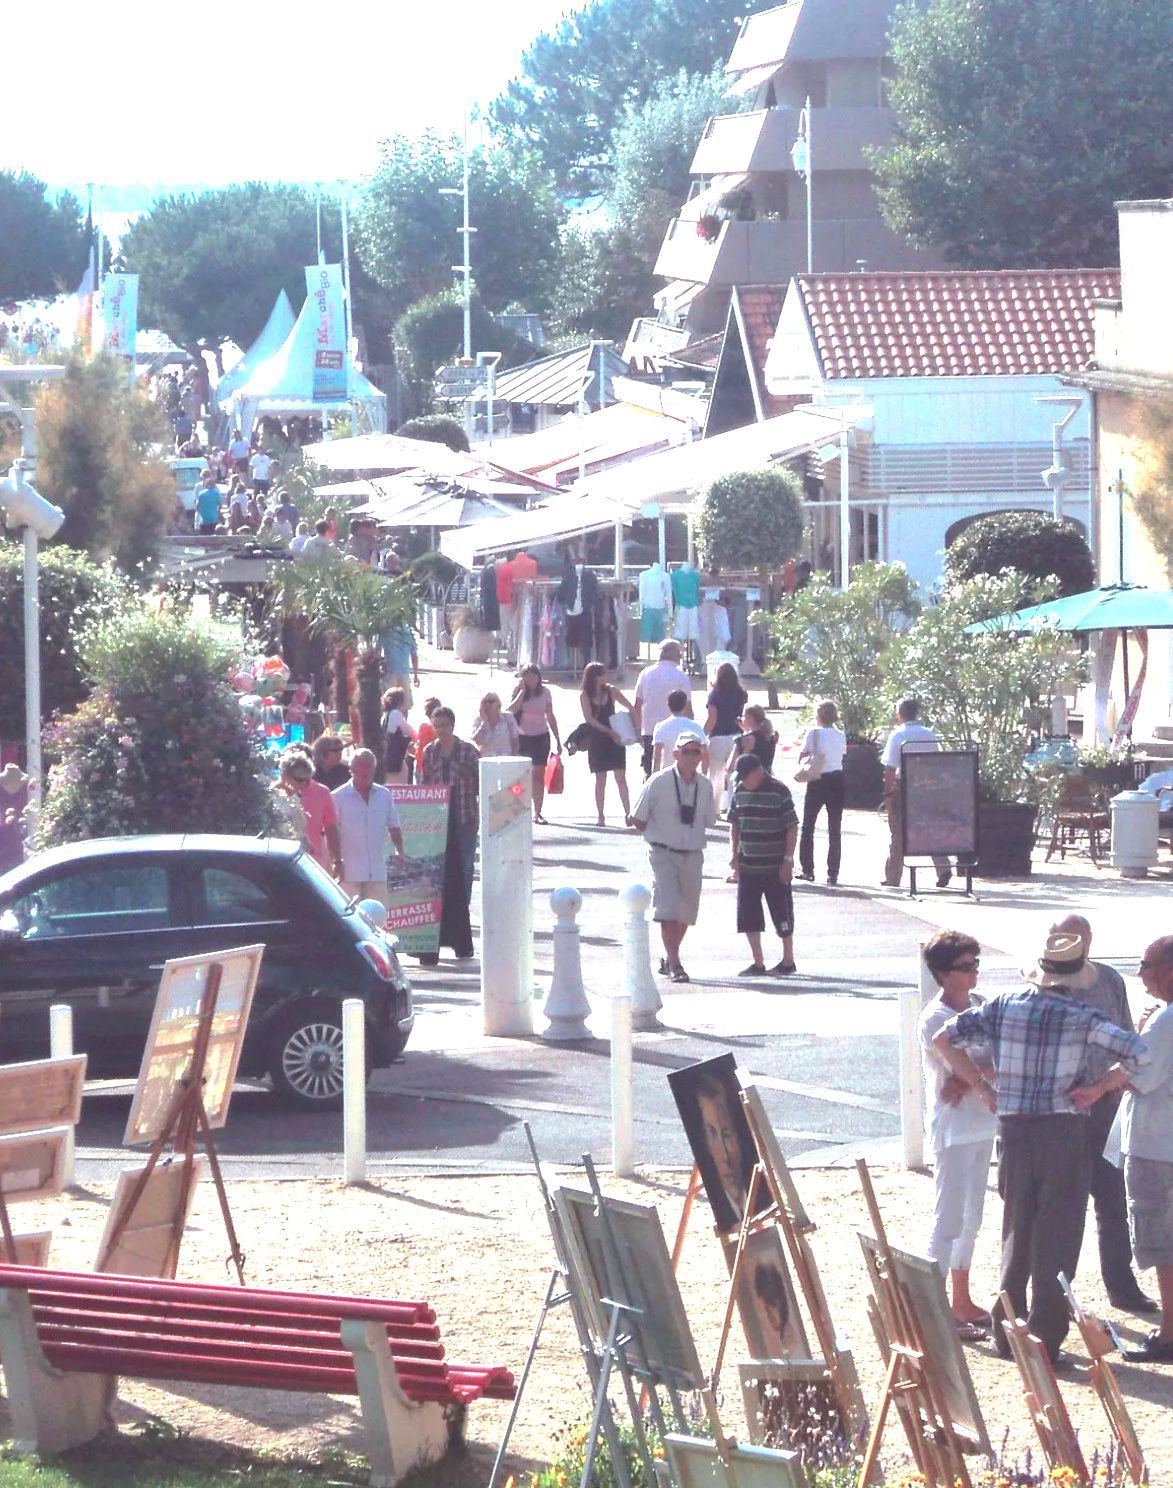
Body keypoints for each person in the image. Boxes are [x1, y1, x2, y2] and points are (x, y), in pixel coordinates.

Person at [933, 929, 1149, 1364]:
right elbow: (1139, 1054)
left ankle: (1008, 1330)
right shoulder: (1082, 1016)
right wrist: (1099, 1087)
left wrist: (983, 1087)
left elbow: (943, 1037)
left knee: (1017, 1228)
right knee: (1059, 1234)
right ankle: (1046, 1337)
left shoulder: (1003, 1005)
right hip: (1063, 1129)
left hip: (1014, 1130)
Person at [1049, 913, 1156, 1313]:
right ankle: (1058, 1292)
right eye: (1064, 938)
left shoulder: (1109, 980)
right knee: (1065, 1203)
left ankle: (1121, 1286)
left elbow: (1126, 1035)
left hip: (1105, 1106)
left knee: (1113, 1200)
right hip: (1063, 1110)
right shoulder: (1045, 984)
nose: (1073, 946)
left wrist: (1115, 1083)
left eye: (1079, 939)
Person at [918, 930, 997, 1333]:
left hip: (982, 1121)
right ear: (944, 973)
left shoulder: (980, 1006)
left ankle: (960, 1301)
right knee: (947, 1217)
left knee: (972, 1217)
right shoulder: (935, 1017)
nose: (973, 972)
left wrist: (968, 1075)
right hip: (953, 1126)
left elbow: (989, 1059)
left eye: (975, 964)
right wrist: (971, 1073)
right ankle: (935, 1311)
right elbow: (957, 1063)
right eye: (965, 966)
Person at [1114, 936, 1173, 1361]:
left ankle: (1169, 1334)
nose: (1141, 974)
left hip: (1158, 1146)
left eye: (1147, 965)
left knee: (1163, 1244)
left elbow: (1136, 1076)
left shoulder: (1165, 1021)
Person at [631, 735, 717, 984]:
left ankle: (670, 955)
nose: (692, 757)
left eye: (696, 752)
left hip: (693, 853)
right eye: (686, 752)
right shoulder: (658, 781)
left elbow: (710, 820)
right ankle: (675, 963)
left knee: (687, 912)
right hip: (663, 853)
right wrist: (658, 832)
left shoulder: (705, 785)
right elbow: (637, 817)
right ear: (676, 754)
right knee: (668, 908)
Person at [728, 753, 798, 977]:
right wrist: (734, 854)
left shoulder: (779, 791)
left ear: (759, 771)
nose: (744, 781)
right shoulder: (740, 790)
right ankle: (758, 962)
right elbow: (735, 824)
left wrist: (788, 860)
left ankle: (788, 960)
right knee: (748, 917)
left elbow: (791, 827)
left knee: (782, 913)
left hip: (775, 866)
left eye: (747, 776)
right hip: (748, 865)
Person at [420, 707, 480, 962]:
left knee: (464, 870)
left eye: (445, 725)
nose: (441, 730)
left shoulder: (468, 751)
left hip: (464, 817)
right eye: (437, 725)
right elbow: (424, 784)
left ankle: (460, 922)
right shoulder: (429, 752)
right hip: (438, 821)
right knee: (439, 873)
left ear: (453, 725)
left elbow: (480, 783)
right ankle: (441, 924)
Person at [881, 697, 952, 889]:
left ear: (900, 714)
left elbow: (890, 768)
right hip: (927, 788)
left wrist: (888, 794)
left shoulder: (897, 735)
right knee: (930, 828)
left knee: (898, 832)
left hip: (903, 788)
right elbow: (938, 762)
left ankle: (893, 877)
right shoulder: (929, 734)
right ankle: (943, 867)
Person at [330, 748, 406, 907]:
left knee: (378, 915)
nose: (365, 771)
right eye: (360, 766)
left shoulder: (384, 795)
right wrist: (336, 862)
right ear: (351, 769)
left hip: (376, 871)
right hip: (348, 871)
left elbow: (394, 826)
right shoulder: (337, 797)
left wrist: (399, 850)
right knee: (349, 916)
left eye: (369, 766)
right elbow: (332, 832)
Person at [797, 701, 848, 886]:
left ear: (819, 715)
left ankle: (808, 869)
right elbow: (842, 754)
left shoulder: (814, 733)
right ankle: (833, 873)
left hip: (818, 779)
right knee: (834, 827)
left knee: (808, 825)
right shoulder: (841, 735)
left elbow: (803, 754)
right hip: (837, 779)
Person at [579, 662, 634, 828]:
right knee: (600, 779)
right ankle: (600, 815)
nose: (604, 677)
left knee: (621, 777)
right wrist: (609, 731)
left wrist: (630, 725)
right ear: (592, 677)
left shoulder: (611, 691)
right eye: (600, 675)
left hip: (615, 738)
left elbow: (630, 707)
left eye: (604, 674)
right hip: (598, 738)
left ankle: (628, 813)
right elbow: (589, 719)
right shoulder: (585, 695)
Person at [695, 1068, 751, 1229]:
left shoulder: (759, 1195)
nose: (725, 1156)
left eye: (727, 1135)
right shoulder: (722, 1205)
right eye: (712, 1134)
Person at [508, 666, 561, 825]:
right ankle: (517, 811)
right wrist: (522, 692)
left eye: (534, 676)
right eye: (528, 677)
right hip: (522, 737)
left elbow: (550, 715)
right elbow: (510, 711)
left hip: (541, 737)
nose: (531, 680)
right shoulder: (519, 691)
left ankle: (537, 812)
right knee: (520, 776)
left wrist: (558, 739)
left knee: (538, 776)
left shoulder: (545, 692)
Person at [633, 641, 691, 779]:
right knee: (676, 771)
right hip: (676, 730)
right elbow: (688, 707)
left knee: (651, 768)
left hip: (649, 729)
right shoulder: (681, 676)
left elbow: (637, 704)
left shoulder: (646, 673)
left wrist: (637, 729)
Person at [280, 747, 341, 874]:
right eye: (299, 779)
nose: (303, 783)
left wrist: (337, 861)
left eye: (307, 779)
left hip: (312, 862)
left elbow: (331, 827)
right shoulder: (273, 793)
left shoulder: (322, 792)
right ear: (285, 775)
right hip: (281, 861)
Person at [705, 661, 748, 794]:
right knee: (733, 774)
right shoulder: (741, 693)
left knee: (716, 775)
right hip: (737, 736)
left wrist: (703, 734)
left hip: (718, 737)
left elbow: (712, 718)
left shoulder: (715, 694)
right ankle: (732, 802)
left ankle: (716, 803)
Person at [651, 689, 707, 773]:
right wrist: (704, 774)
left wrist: (654, 776)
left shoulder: (660, 727)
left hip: (668, 773)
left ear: (668, 705)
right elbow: (705, 754)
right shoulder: (695, 727)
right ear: (685, 705)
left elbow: (657, 757)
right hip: (691, 773)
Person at [381, 687, 416, 785]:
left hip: (386, 759)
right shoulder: (395, 714)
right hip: (395, 760)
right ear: (400, 701)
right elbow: (410, 732)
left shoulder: (385, 715)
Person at [382, 622, 420, 709]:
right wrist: (415, 675)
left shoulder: (386, 632)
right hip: (403, 673)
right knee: (404, 704)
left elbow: (379, 651)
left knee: (390, 704)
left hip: (391, 673)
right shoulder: (408, 633)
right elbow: (414, 656)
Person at [472, 692, 521, 757]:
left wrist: (515, 756)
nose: (487, 705)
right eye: (484, 702)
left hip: (506, 758)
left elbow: (515, 740)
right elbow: (476, 741)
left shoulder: (508, 717)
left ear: (498, 704)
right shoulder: (478, 720)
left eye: (490, 702)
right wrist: (484, 723)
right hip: (487, 759)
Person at [413, 697, 441, 781]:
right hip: (430, 766)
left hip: (421, 765)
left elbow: (420, 746)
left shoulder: (424, 727)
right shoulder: (438, 729)